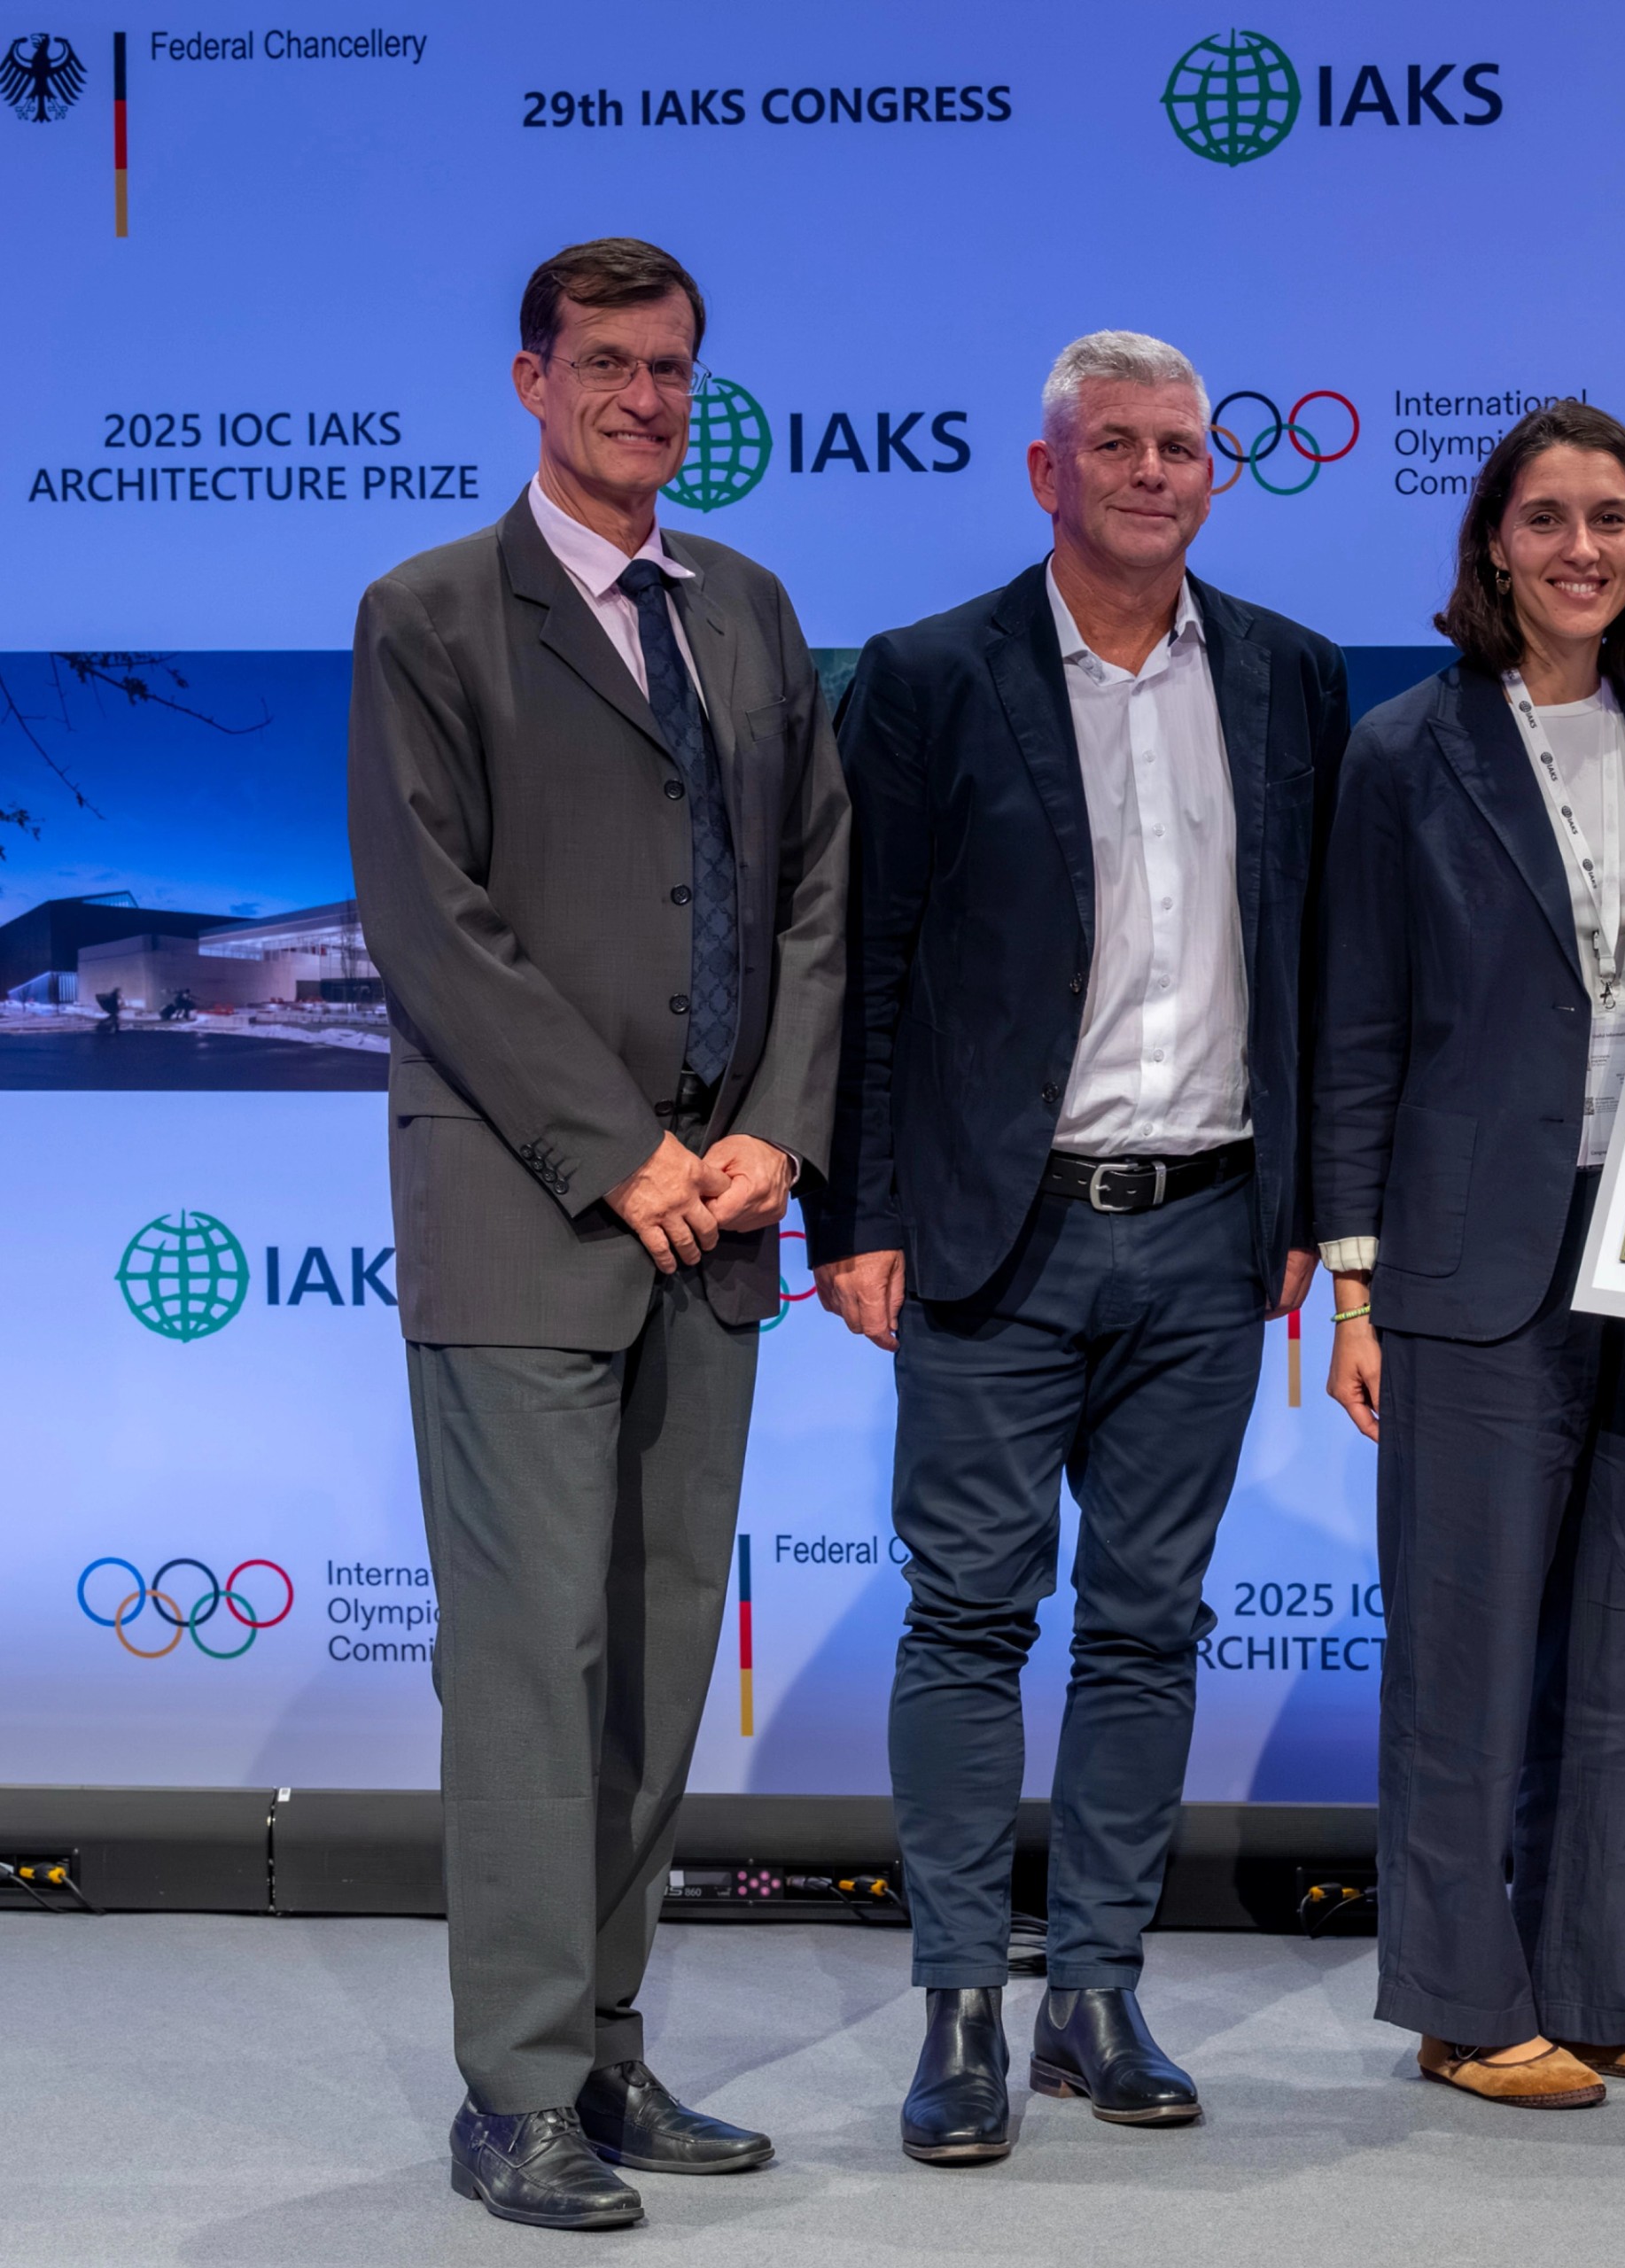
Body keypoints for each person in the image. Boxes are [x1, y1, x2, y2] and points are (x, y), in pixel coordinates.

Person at [347, 237, 850, 2231]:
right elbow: (431, 922)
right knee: (531, 1660)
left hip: (720, 1220)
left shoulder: (750, 606)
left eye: (674, 369)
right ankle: (518, 2090)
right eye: (610, 364)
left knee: (651, 1654)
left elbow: (814, 886)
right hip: (526, 1204)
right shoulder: (429, 612)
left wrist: (780, 1127)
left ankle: (607, 2049)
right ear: (532, 381)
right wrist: (622, 1149)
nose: (648, 399)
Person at [804, 330, 1348, 2166]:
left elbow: (1315, 966)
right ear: (1048, 474)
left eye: (1178, 445)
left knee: (1147, 1624)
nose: (1150, 472)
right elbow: (864, 966)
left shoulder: (1286, 675)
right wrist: (856, 1212)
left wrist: (1307, 1215)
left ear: (1216, 472)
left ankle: (1096, 1992)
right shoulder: (929, 674)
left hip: (1209, 1232)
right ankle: (962, 2003)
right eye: (1113, 445)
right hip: (993, 1234)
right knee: (969, 1617)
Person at [1314, 401, 1625, 2109]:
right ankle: (1459, 1999)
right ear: (1495, 543)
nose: (1584, 549)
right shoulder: (1404, 749)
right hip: (1465, 1254)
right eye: (1550, 518)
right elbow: (1355, 1023)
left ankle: (1594, 1982)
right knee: (1469, 1647)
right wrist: (1354, 1283)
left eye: (1612, 519)